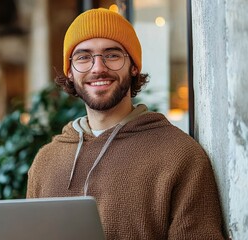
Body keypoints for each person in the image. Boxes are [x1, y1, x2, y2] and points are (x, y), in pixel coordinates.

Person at [26, 8, 225, 239]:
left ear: (133, 67)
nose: (98, 68)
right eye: (83, 57)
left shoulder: (181, 156)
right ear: (69, 71)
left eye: (112, 55)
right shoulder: (46, 160)